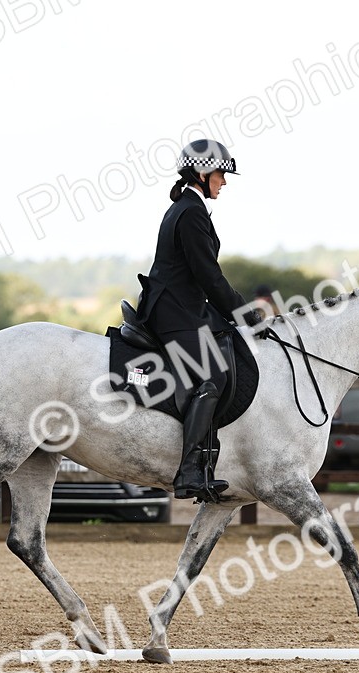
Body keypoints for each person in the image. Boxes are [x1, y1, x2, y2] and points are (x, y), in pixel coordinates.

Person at [135, 139, 264, 501]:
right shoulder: (190, 211)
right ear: (203, 173)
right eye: (221, 174)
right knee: (213, 374)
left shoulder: (187, 207)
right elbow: (208, 275)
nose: (225, 181)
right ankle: (190, 470)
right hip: (173, 311)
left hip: (183, 307)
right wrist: (244, 313)